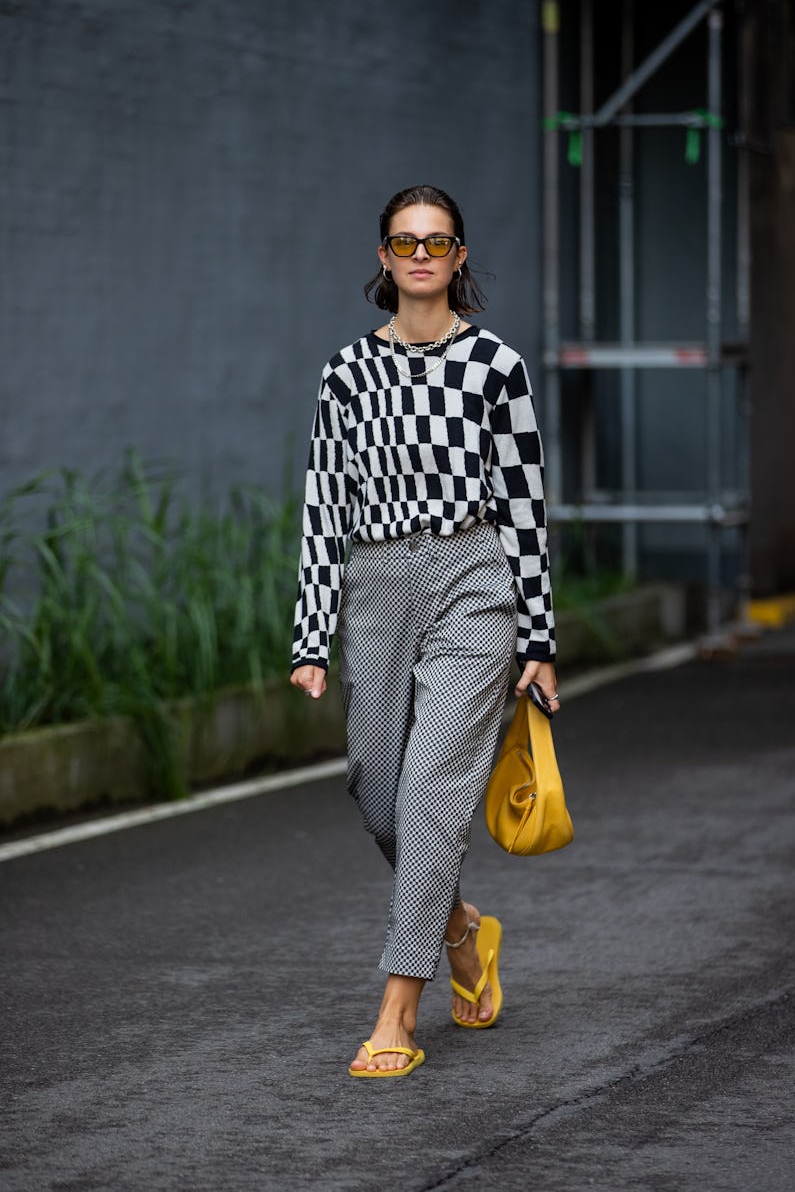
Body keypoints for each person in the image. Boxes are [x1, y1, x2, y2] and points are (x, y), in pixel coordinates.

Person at [290, 184, 559, 1078]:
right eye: (404, 243)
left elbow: (525, 505)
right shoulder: (345, 373)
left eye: (436, 242)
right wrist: (312, 632)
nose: (419, 256)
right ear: (383, 259)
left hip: (473, 576)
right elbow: (324, 504)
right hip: (375, 581)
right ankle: (458, 928)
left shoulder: (498, 368)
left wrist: (540, 637)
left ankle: (397, 1011)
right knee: (376, 788)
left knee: (432, 789)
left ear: (459, 257)